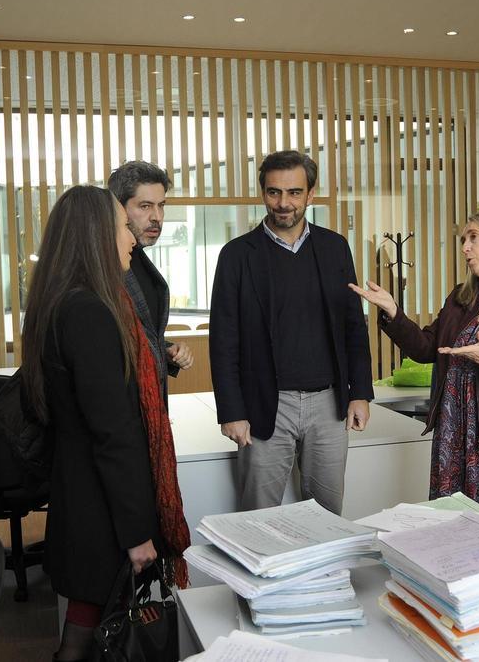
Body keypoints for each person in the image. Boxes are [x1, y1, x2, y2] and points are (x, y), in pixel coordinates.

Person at [20, 185, 189, 662]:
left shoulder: (61, 301)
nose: (132, 239)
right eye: (122, 227)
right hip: (102, 507)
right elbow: (113, 433)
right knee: (90, 637)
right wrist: (137, 533)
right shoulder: (90, 313)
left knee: (86, 620)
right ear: (96, 236)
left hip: (83, 493)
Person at [351, 210, 479, 524]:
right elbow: (426, 348)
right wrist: (394, 312)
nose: (464, 247)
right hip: (455, 436)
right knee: (451, 528)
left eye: (473, 237)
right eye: (463, 239)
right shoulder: (461, 298)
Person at [210, 150, 373, 514]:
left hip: (328, 405)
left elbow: (353, 327)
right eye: (274, 193)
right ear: (263, 193)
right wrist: (231, 411)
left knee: (328, 514)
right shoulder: (237, 256)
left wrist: (360, 392)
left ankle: (326, 574)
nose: (284, 203)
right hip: (266, 404)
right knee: (259, 517)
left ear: (311, 194)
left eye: (294, 193)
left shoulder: (335, 248)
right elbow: (223, 340)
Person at [107, 161, 194, 402]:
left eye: (161, 206)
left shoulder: (141, 261)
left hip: (151, 408)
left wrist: (166, 350)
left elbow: (139, 336)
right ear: (118, 208)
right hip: (120, 411)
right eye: (145, 206)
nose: (157, 217)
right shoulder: (104, 271)